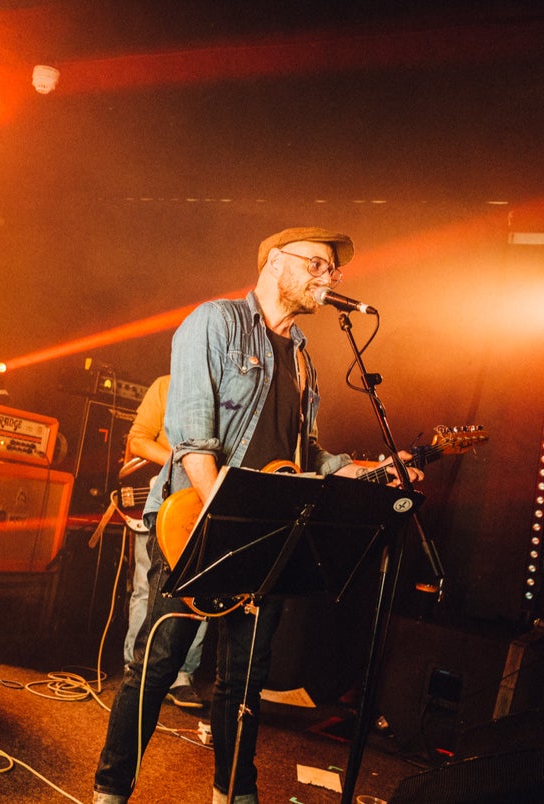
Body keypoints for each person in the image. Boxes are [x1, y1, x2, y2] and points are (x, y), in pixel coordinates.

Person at [93, 227, 422, 804]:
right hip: (196, 523)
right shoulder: (214, 323)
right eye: (318, 264)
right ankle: (111, 789)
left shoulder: (302, 361)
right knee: (158, 661)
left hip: (267, 536)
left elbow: (308, 457)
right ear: (275, 263)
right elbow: (193, 438)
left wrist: (371, 468)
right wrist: (217, 521)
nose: (330, 277)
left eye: (334, 270)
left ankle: (234, 793)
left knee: (244, 677)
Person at [121, 374, 208, 708]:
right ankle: (136, 667)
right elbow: (138, 441)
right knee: (147, 589)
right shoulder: (166, 385)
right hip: (164, 498)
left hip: (199, 506)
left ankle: (183, 675)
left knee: (200, 594)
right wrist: (185, 462)